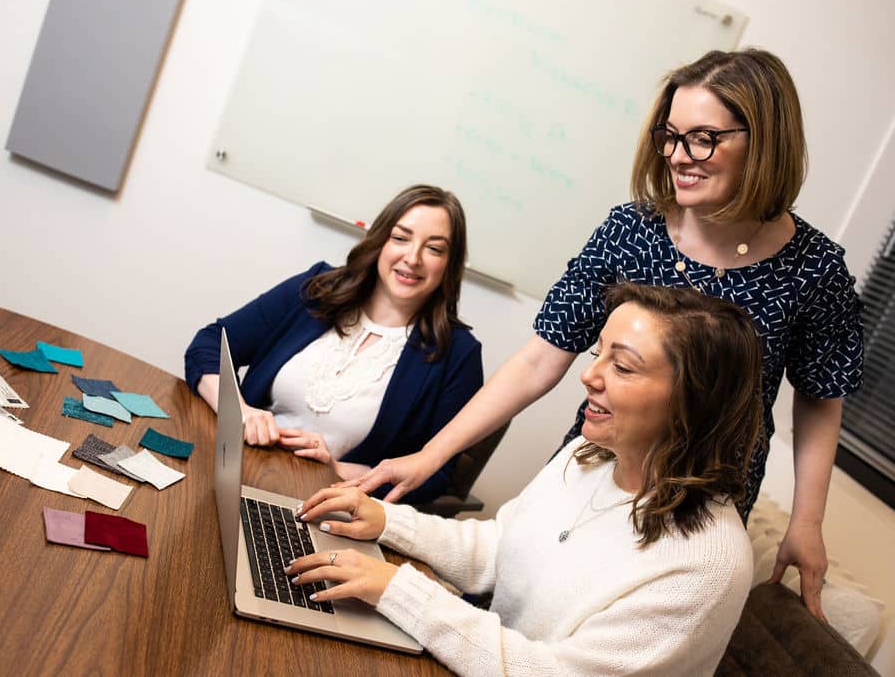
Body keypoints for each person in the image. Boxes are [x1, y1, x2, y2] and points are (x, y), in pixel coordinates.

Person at [343, 48, 863, 619]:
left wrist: (806, 522)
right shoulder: (630, 232)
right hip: (595, 470)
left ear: (762, 140)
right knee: (516, 604)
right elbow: (539, 361)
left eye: (703, 139)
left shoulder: (816, 269)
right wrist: (430, 455)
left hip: (704, 499)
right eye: (671, 136)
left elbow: (820, 398)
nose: (678, 156)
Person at [290, 283, 759, 675]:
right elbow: (501, 550)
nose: (588, 375)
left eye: (621, 366)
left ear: (694, 400)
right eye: (597, 353)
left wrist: (400, 591)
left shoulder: (707, 564)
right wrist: (388, 521)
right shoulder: (586, 456)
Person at [184, 184, 483, 503]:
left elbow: (436, 475)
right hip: (233, 468)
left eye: (434, 249)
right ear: (381, 239)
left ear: (450, 264)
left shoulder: (458, 354)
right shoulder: (318, 287)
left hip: (326, 504)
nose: (412, 258)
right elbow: (210, 343)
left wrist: (339, 469)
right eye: (400, 238)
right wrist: (239, 412)